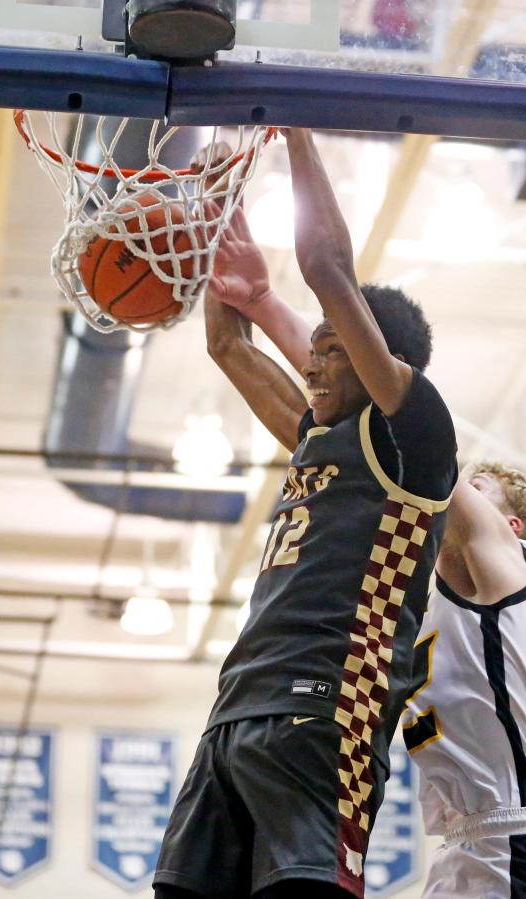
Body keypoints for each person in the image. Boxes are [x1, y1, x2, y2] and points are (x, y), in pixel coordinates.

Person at [152, 129, 457, 899]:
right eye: (313, 349)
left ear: (384, 358)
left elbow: (326, 270)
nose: (312, 360)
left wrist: (291, 129)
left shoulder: (413, 441)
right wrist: (213, 199)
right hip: (236, 707)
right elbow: (229, 343)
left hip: (327, 714)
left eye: (330, 346)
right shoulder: (316, 440)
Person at [403, 463, 526, 898]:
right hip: (487, 845)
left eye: (477, 490)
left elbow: (425, 460)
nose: (458, 498)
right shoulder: (472, 600)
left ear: (509, 528)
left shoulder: (508, 569)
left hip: (518, 847)